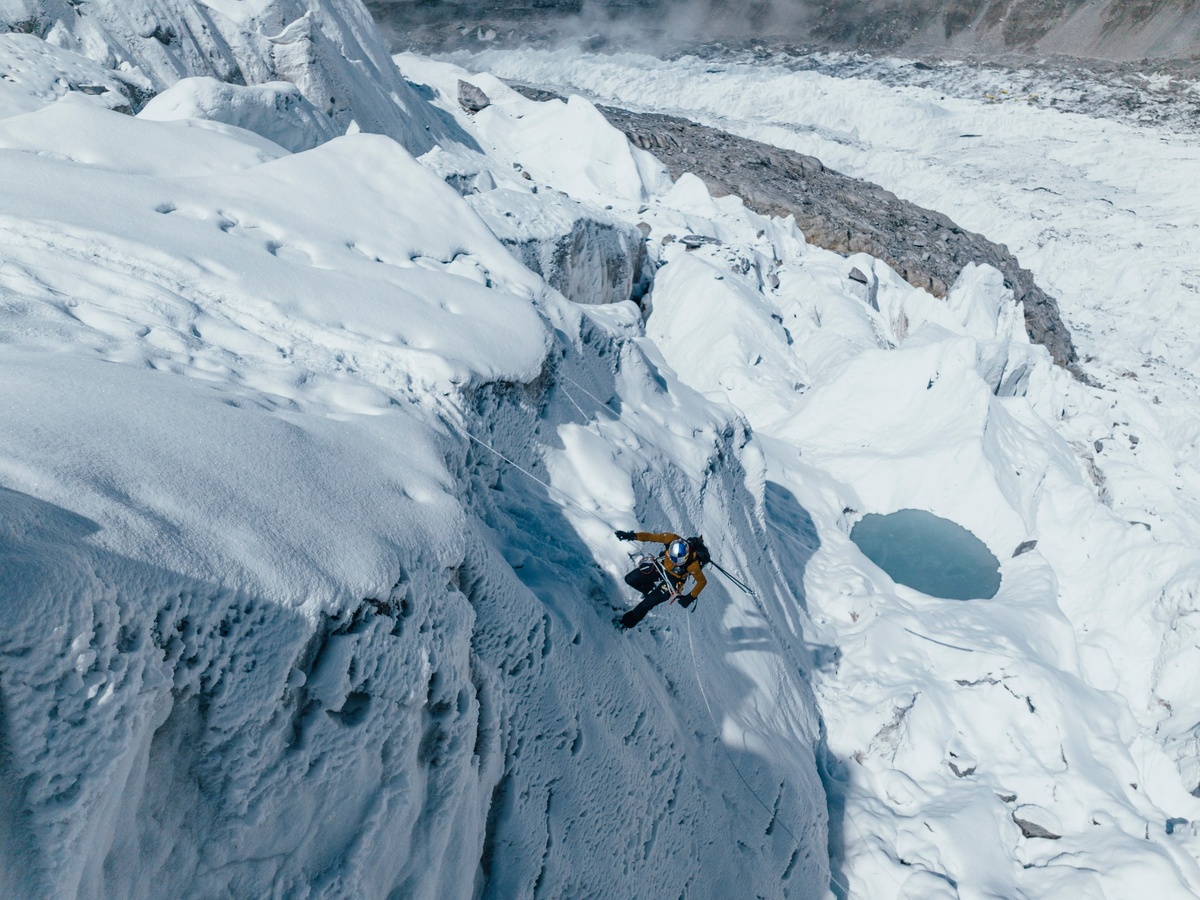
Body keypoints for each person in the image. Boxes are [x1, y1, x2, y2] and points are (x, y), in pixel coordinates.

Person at [614, 530, 708, 629]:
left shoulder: (693, 565)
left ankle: (625, 623)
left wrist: (690, 597)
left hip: (674, 580)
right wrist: (631, 536)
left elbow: (702, 581)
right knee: (630, 579)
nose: (674, 562)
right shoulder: (671, 538)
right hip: (661, 565)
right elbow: (650, 536)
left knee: (647, 603)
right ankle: (649, 589)